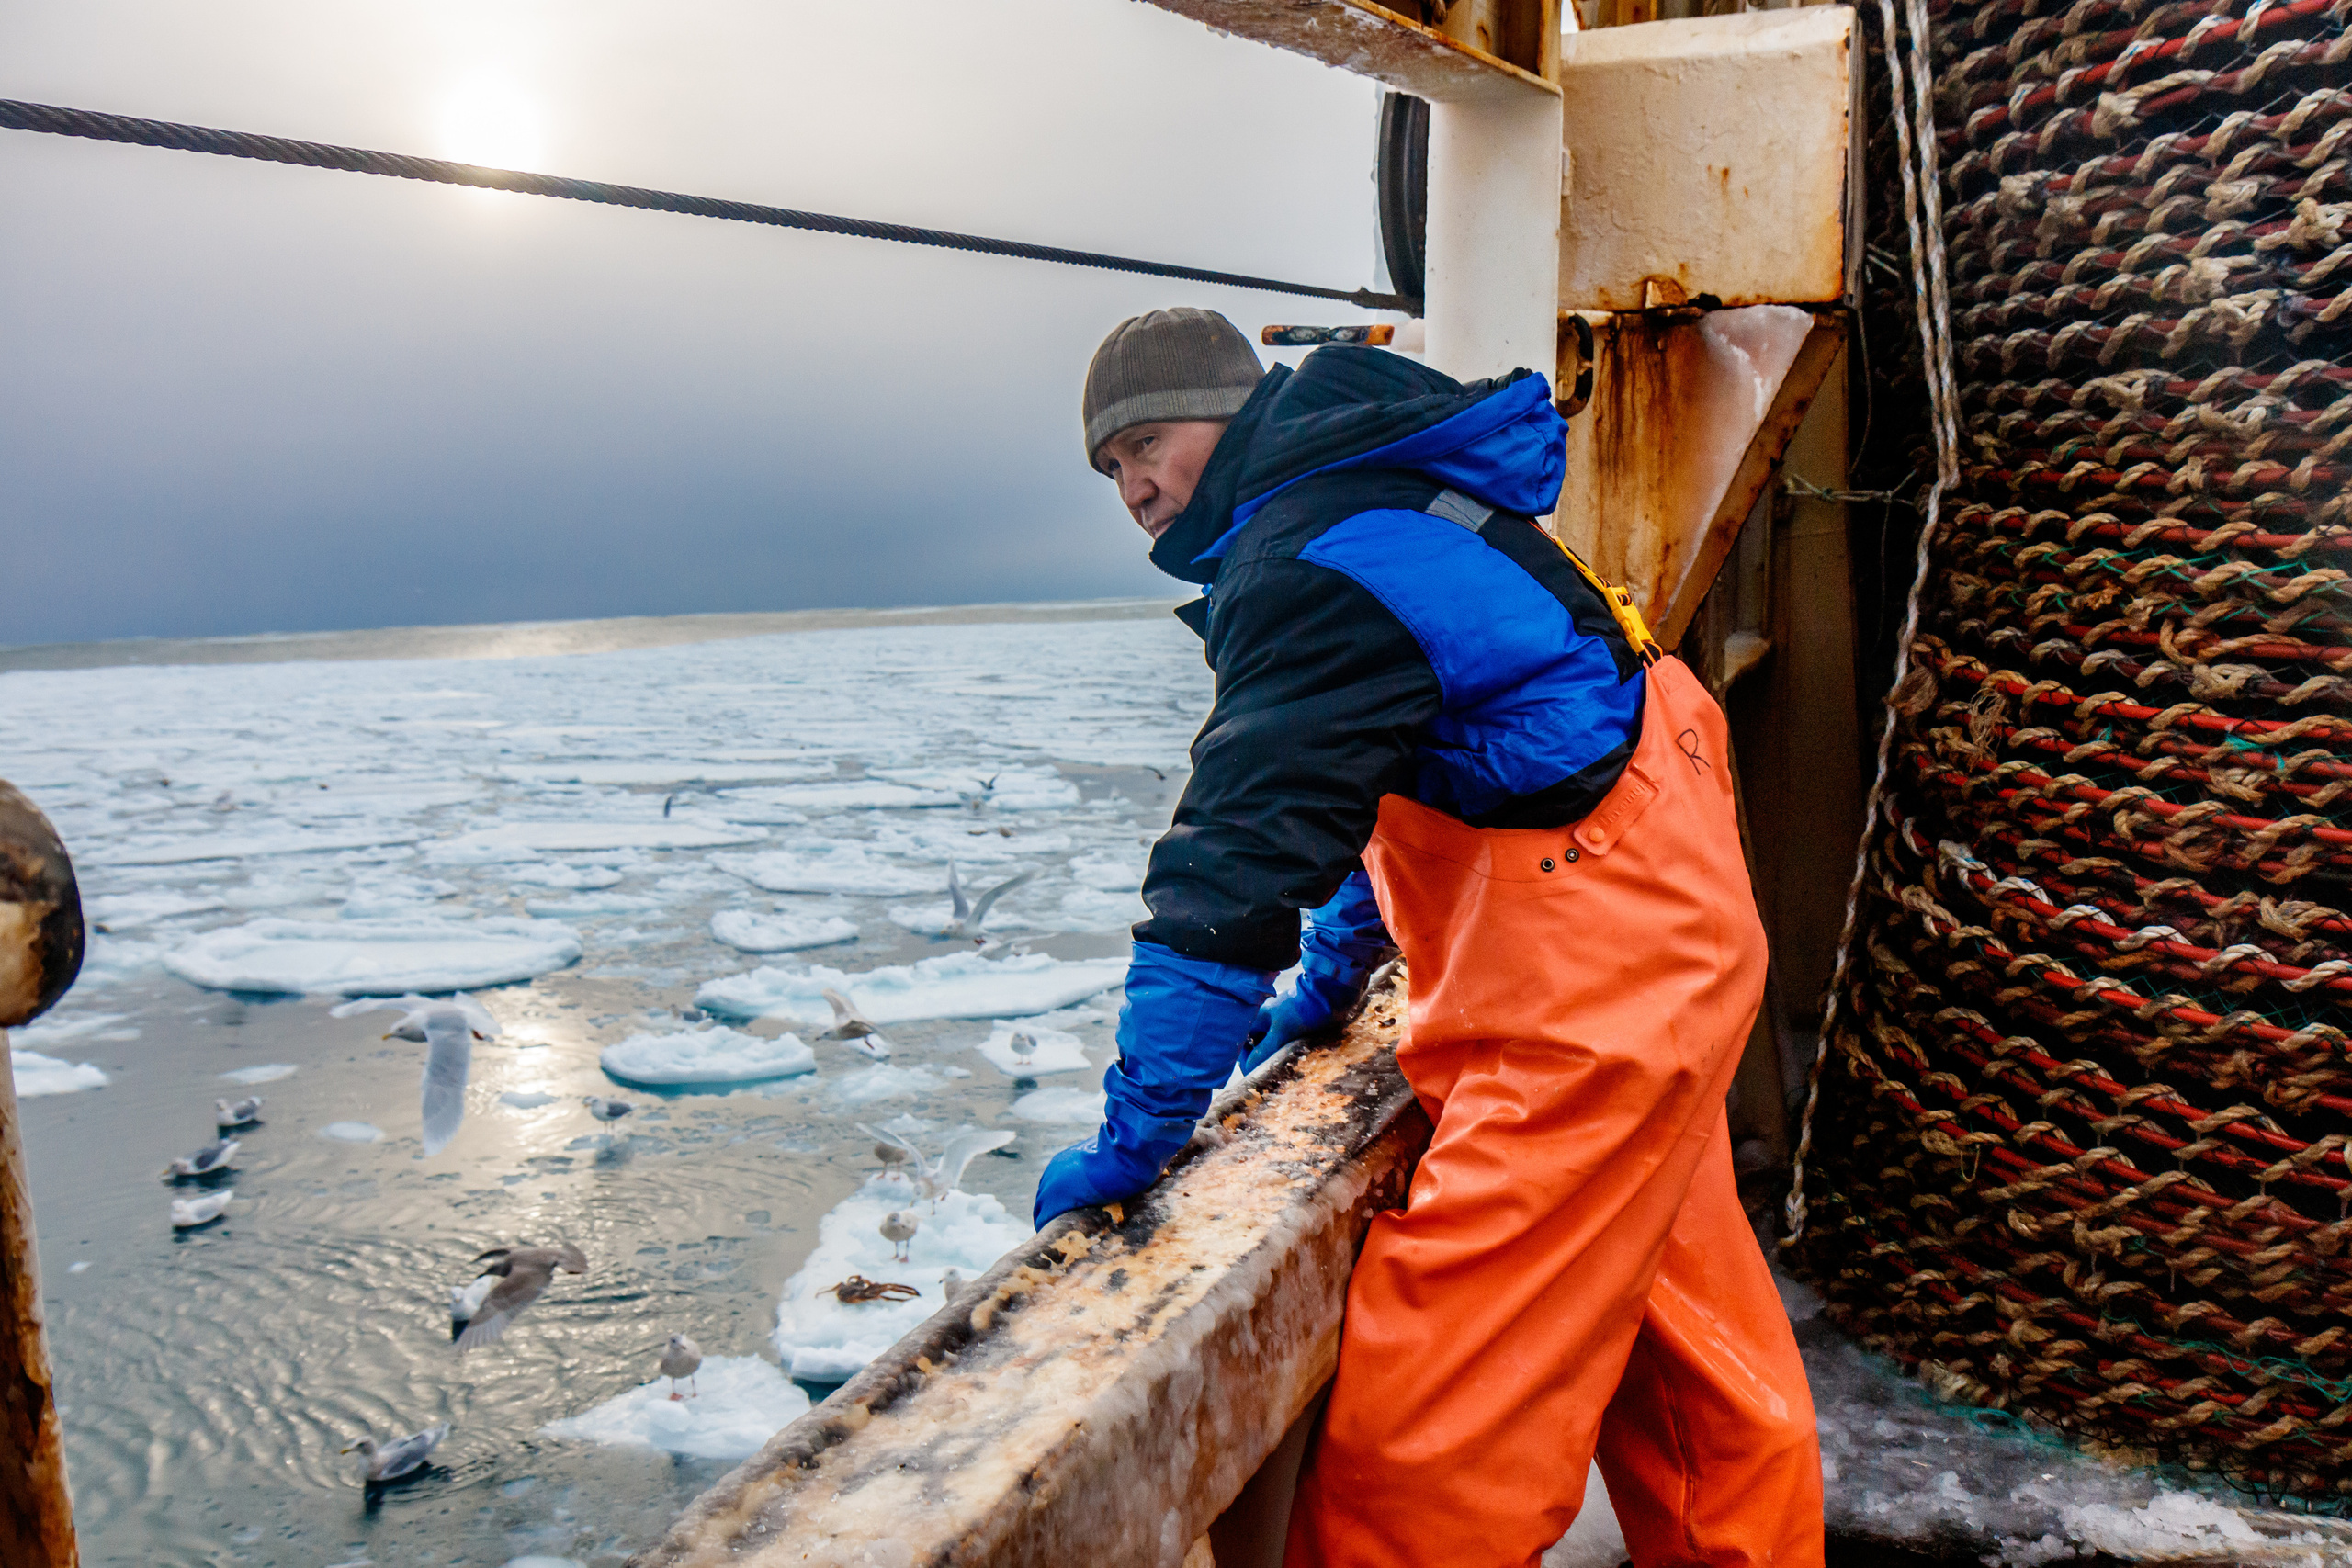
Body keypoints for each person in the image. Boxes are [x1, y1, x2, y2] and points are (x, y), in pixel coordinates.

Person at [1034, 307, 1823, 1568]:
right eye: (1110, 465)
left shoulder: (1306, 564)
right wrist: (1338, 977)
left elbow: (1229, 868)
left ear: (1232, 417)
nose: (1132, 484)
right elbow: (1403, 768)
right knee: (1689, 1347)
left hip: (1596, 990)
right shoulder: (1365, 502)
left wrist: (1144, 1133)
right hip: (1666, 923)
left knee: (1443, 1412)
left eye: (1148, 441)